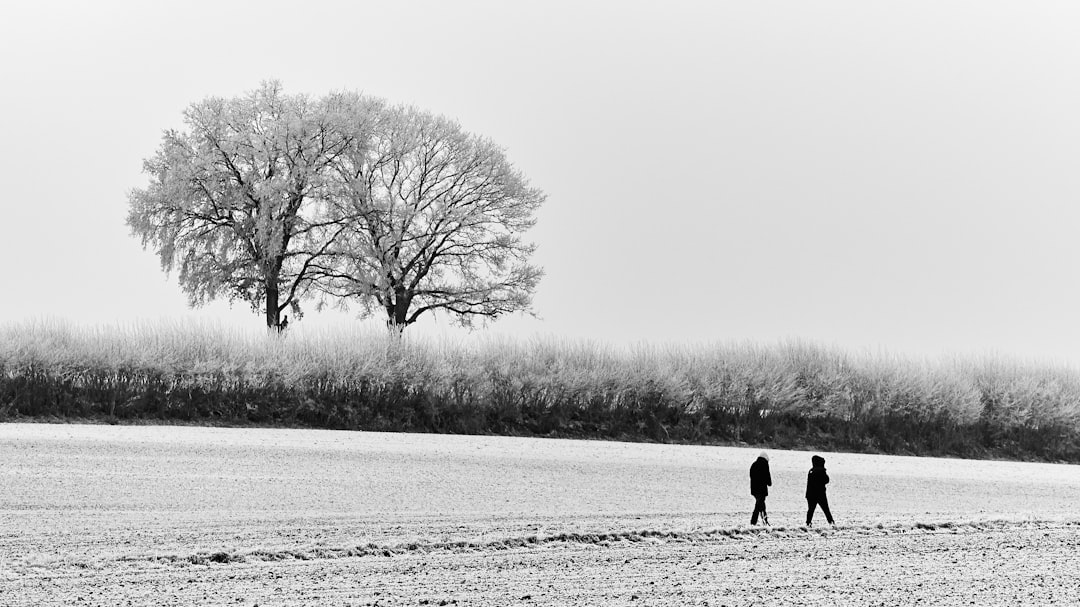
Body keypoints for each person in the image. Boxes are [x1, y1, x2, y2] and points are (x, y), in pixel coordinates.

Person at [805, 454, 834, 526]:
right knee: (826, 510)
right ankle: (831, 522)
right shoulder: (821, 470)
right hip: (820, 494)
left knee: (811, 510)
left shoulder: (811, 470)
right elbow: (826, 480)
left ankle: (808, 523)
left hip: (810, 494)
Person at [749, 451, 772, 525]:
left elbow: (751, 476)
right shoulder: (764, 464)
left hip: (754, 489)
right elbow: (767, 476)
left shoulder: (754, 464)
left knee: (761, 505)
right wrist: (769, 483)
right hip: (761, 490)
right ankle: (753, 522)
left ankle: (765, 521)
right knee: (758, 506)